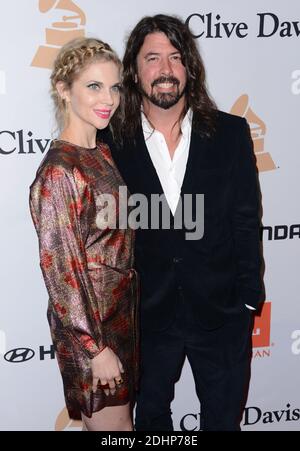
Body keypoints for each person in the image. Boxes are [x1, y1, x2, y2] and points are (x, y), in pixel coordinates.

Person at [108, 14, 262, 431]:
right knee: (151, 423)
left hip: (222, 311)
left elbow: (246, 220)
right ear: (134, 70)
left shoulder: (230, 133)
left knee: (223, 421)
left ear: (189, 67)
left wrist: (249, 298)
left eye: (176, 57)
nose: (165, 70)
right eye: (152, 58)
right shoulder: (110, 144)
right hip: (146, 317)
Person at [29, 37, 139, 431]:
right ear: (63, 90)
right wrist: (95, 349)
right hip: (92, 333)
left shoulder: (100, 153)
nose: (108, 98)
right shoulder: (61, 170)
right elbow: (62, 270)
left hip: (117, 319)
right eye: (94, 86)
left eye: (114, 86)